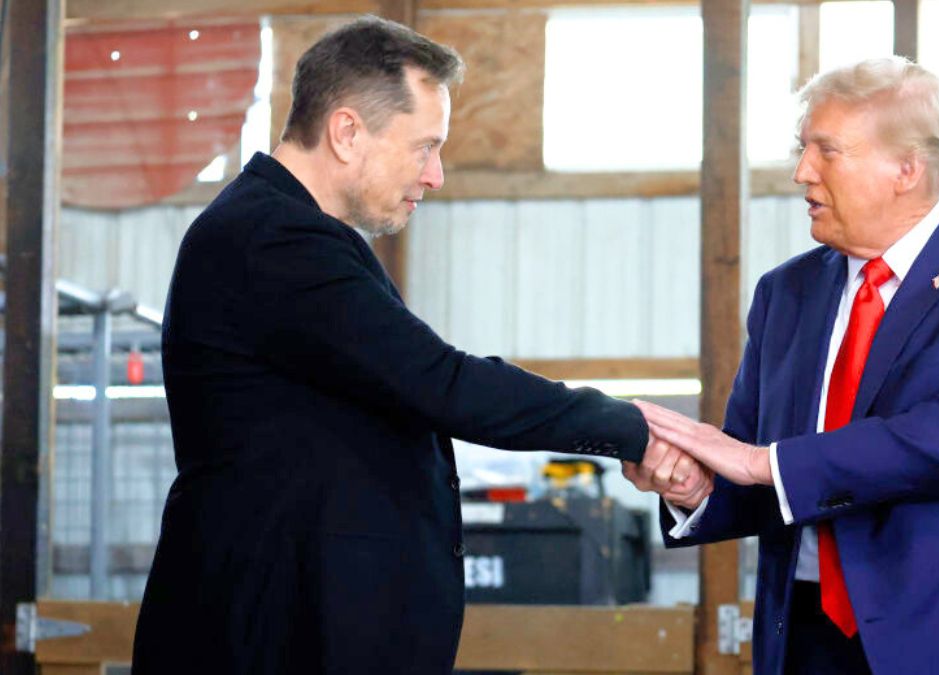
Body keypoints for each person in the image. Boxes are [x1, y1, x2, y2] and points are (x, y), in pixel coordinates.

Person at [131, 17, 700, 675]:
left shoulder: (290, 235)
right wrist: (632, 427)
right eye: (424, 146)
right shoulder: (273, 241)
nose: (435, 175)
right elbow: (441, 382)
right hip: (267, 638)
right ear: (347, 132)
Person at [631, 57, 939, 674]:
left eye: (826, 151)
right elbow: (761, 471)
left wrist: (759, 463)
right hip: (808, 641)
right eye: (800, 149)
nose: (802, 171)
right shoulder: (786, 293)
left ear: (906, 169)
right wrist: (696, 487)